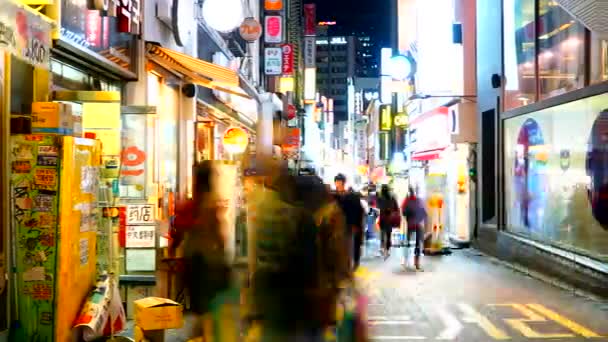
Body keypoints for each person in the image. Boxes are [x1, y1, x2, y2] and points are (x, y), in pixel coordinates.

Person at [170, 163, 231, 339]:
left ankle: (202, 334)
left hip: (194, 260)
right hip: (210, 261)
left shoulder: (191, 204)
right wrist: (223, 252)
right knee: (207, 306)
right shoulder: (212, 201)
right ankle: (205, 334)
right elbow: (220, 234)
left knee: (198, 305)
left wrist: (174, 249)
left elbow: (180, 230)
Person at [333, 173, 365, 270]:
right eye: (337, 182)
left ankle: (354, 263)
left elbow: (359, 211)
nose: (338, 184)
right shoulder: (334, 197)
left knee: (351, 245)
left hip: (351, 225)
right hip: (339, 226)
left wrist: (356, 225)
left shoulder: (352, 197)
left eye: (340, 182)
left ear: (344, 183)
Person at [402, 186, 427, 270]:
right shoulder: (419, 200)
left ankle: (406, 260)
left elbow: (404, 212)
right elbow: (424, 213)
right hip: (418, 225)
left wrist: (409, 217)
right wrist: (420, 220)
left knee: (407, 242)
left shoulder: (407, 201)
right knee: (418, 243)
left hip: (411, 224)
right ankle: (416, 262)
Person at [377, 184, 399, 260]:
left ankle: (383, 248)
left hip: (383, 219)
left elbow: (378, 206)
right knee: (388, 234)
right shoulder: (392, 198)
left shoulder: (380, 198)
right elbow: (396, 208)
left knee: (382, 234)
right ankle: (387, 250)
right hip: (389, 219)